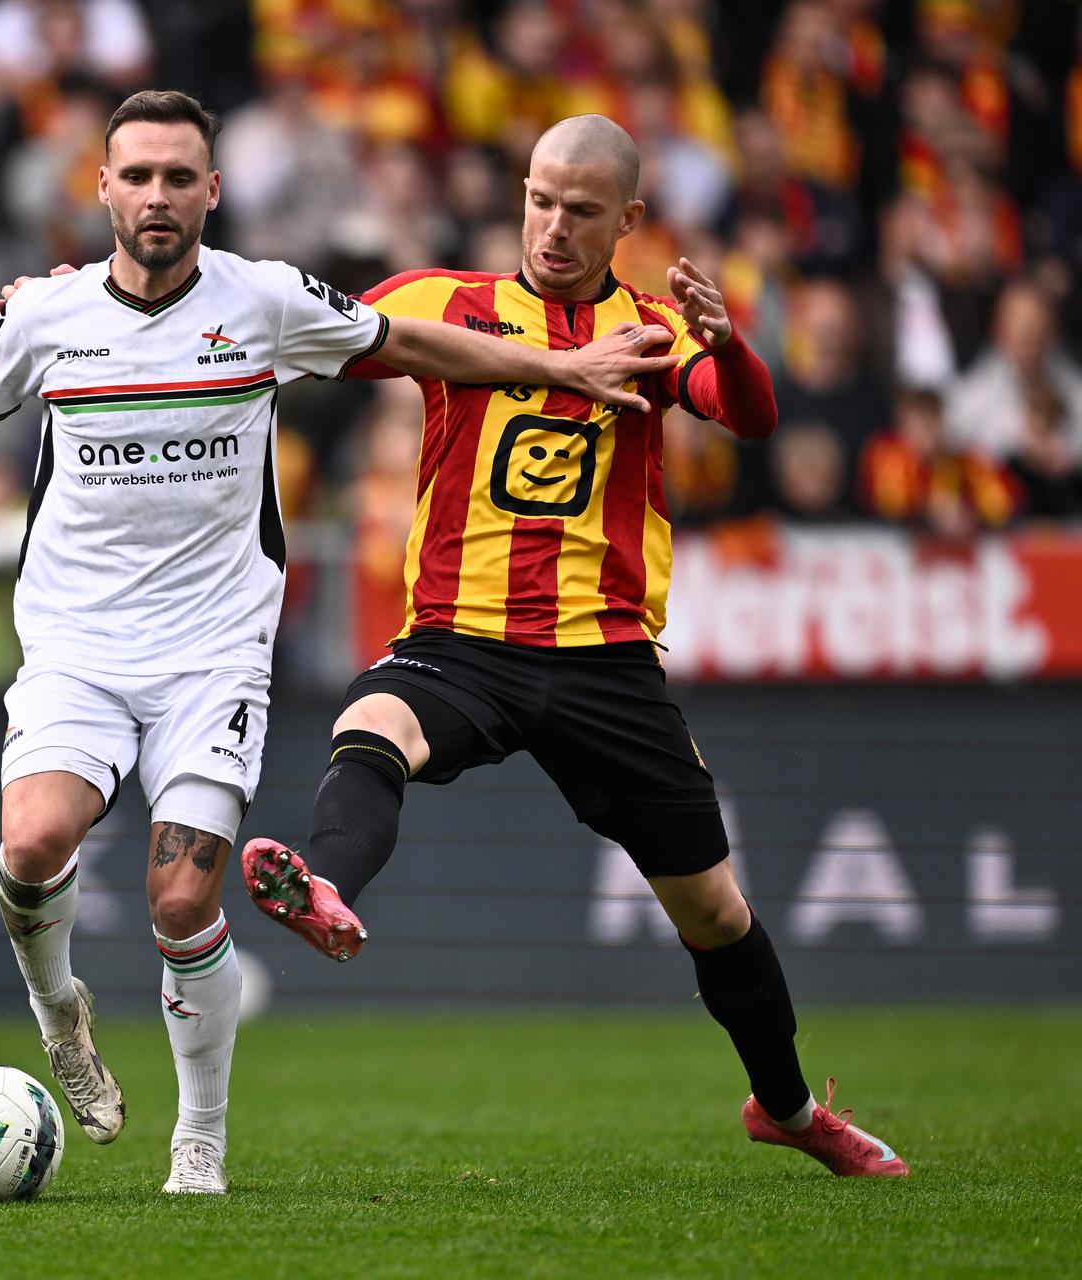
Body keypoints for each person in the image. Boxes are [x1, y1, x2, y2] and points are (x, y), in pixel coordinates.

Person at [0, 90, 676, 1196]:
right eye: (137, 176)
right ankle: (59, 1009)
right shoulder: (47, 314)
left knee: (181, 901)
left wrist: (562, 369)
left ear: (212, 190)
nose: (156, 196)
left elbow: (411, 342)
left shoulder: (264, 299)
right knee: (31, 845)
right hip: (76, 643)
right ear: (103, 189)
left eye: (178, 177)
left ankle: (197, 1142)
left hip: (213, 652)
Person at [238, 114, 910, 1180]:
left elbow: (749, 417)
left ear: (627, 219)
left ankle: (786, 1108)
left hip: (606, 660)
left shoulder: (651, 329)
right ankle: (325, 884)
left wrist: (729, 345)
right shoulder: (443, 301)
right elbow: (306, 334)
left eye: (582, 210)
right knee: (373, 718)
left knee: (714, 913)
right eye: (540, 201)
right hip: (463, 636)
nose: (553, 227)